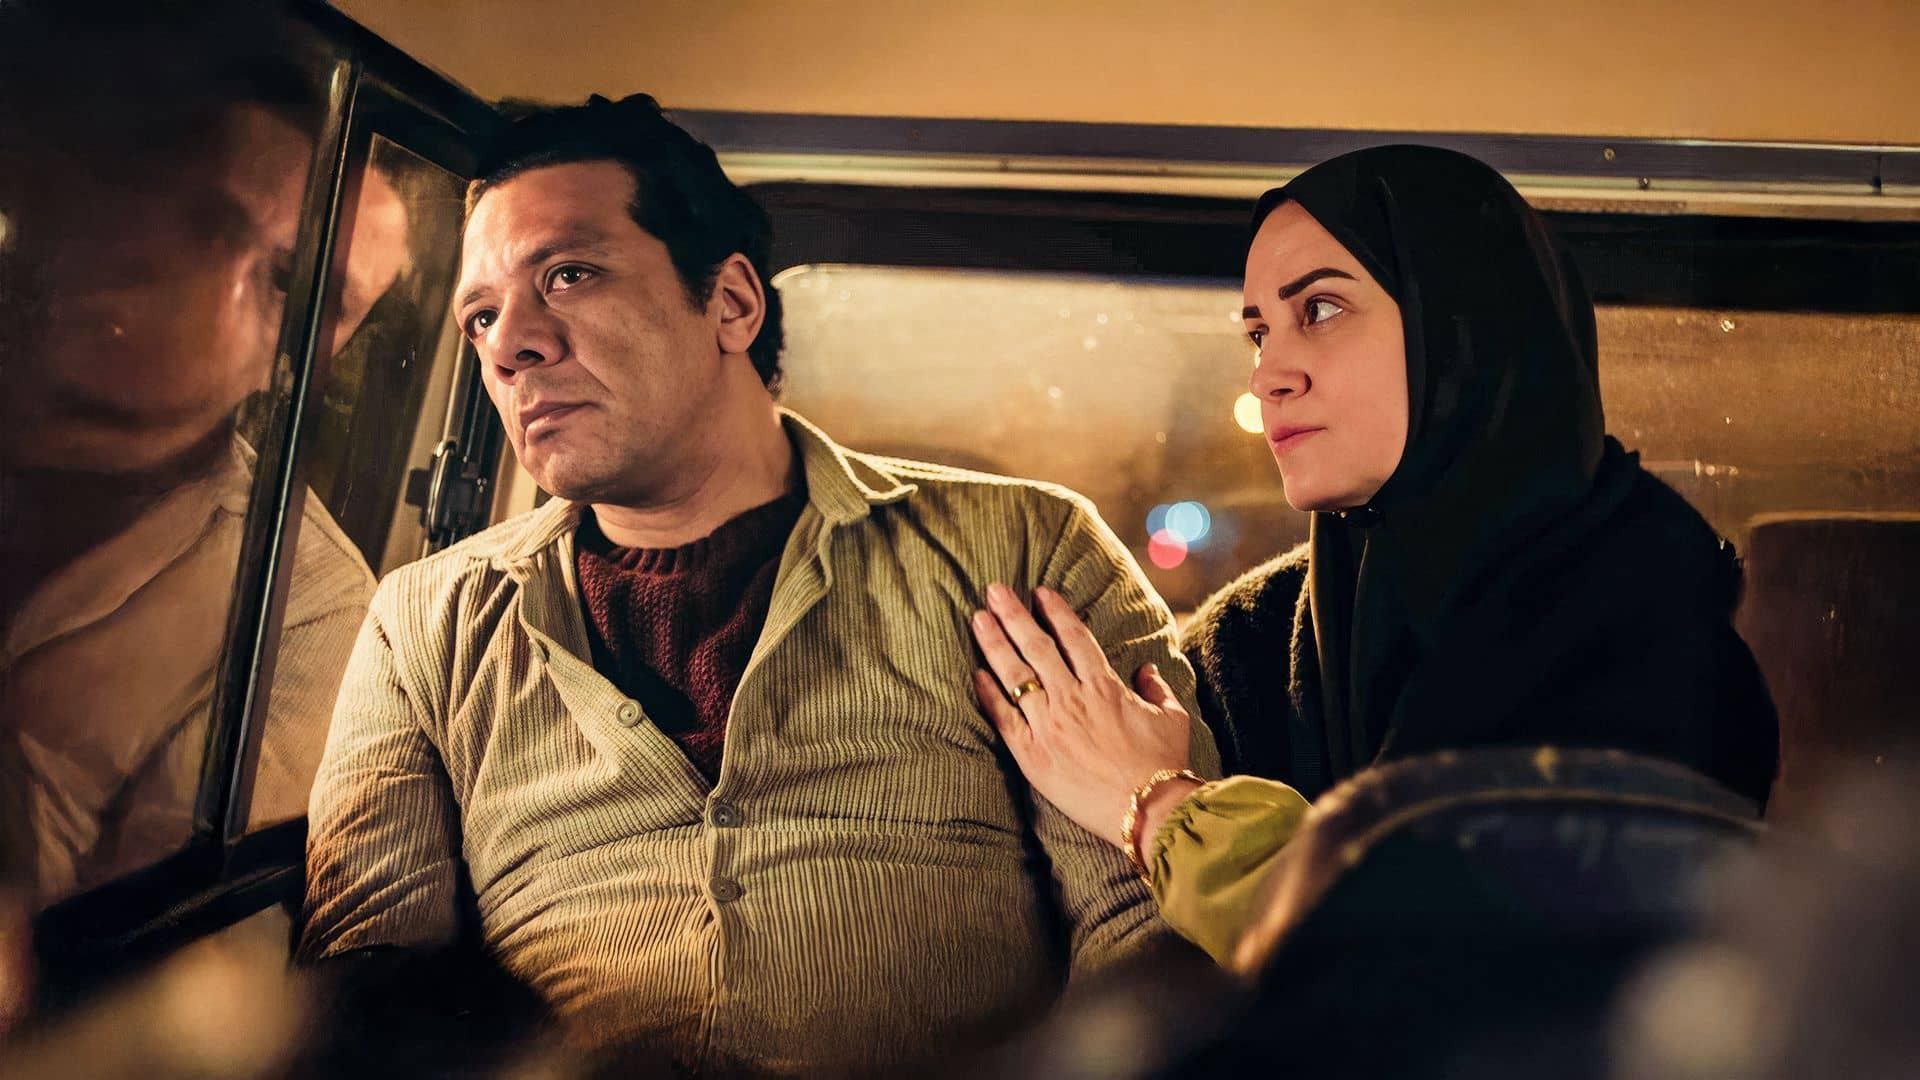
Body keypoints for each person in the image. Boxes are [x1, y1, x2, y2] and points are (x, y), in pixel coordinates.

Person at [297, 94, 1219, 1074]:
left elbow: (1147, 928)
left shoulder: (1023, 548)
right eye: (480, 316)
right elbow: (365, 980)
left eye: (568, 275)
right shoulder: (425, 620)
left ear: (733, 303)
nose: (509, 344)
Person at [969, 145, 1778, 964]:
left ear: (1460, 325)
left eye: (1319, 309)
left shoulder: (1656, 638)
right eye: (1258, 333)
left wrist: (1158, 809)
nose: (1268, 375)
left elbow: (1458, 979)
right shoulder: (1252, 636)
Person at [0, 0, 395, 907]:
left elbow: (150, 943)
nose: (211, 303)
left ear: (317, 354)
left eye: (294, 285)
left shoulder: (311, 609)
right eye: (201, 226)